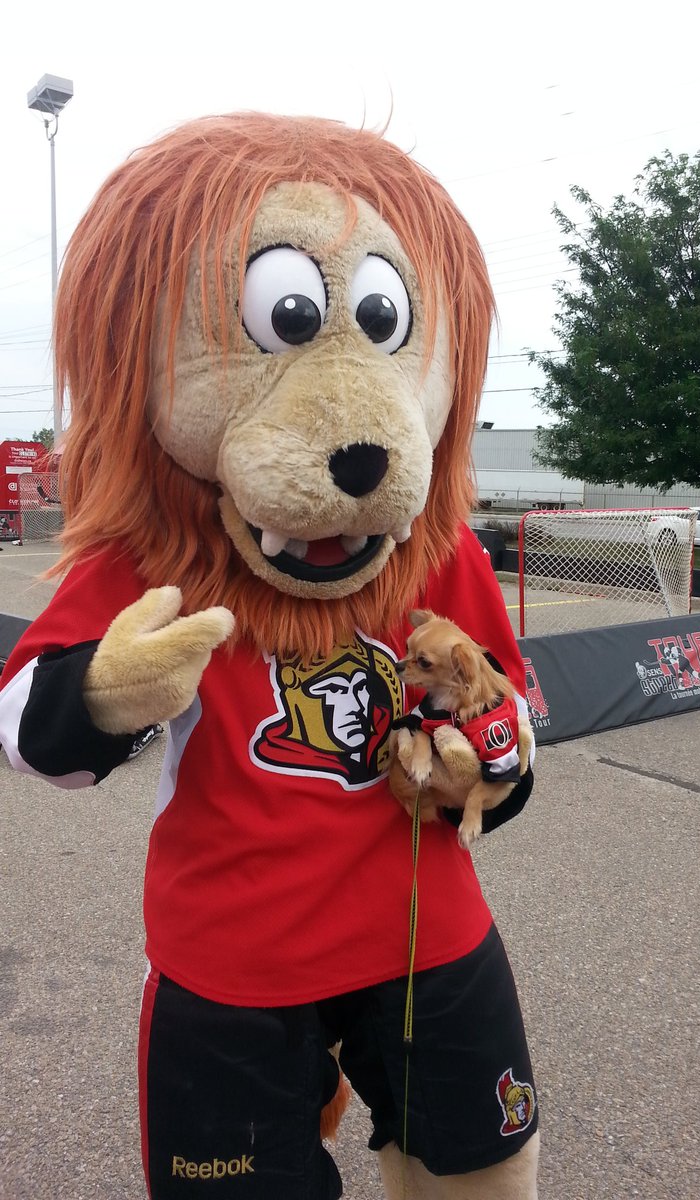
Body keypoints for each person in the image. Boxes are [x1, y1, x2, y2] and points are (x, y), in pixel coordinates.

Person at [0, 112, 539, 1199]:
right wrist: (104, 694)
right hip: (234, 968)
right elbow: (30, 733)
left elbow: (512, 718)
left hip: (434, 942)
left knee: (486, 1170)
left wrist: (491, 766)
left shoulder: (433, 557)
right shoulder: (159, 559)